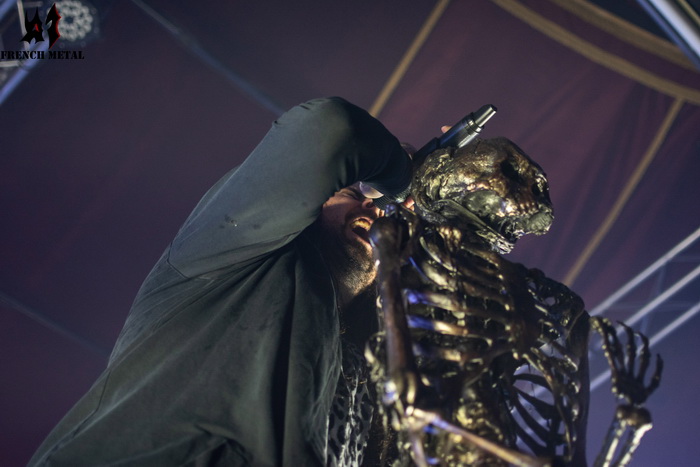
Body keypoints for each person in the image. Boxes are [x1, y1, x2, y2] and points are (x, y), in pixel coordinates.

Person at [29, 97, 413, 466]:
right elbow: (329, 130)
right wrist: (402, 180)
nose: (375, 209)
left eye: (387, 210)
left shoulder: (358, 374)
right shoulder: (229, 254)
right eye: (357, 193)